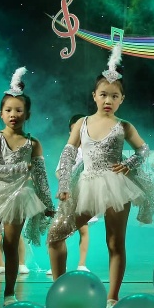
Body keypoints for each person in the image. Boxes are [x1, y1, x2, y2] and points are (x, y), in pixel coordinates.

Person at [48, 43, 154, 308]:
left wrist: (129, 163)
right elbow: (68, 154)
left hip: (116, 186)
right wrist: (64, 184)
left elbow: (143, 149)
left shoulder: (123, 126)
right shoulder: (82, 123)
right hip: (86, 184)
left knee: (115, 242)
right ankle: (58, 289)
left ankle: (112, 297)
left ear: (122, 99)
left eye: (114, 96)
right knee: (56, 235)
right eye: (104, 94)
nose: (108, 100)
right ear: (94, 96)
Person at [0, 67, 55, 306]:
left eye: (18, 110)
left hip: (17, 196)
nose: (13, 114)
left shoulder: (32, 143)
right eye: (8, 110)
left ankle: (9, 294)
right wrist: (20, 168)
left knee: (11, 244)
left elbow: (41, 177)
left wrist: (48, 204)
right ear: (1, 113)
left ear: (27, 114)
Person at [46, 113, 97, 276]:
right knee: (60, 230)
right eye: (74, 130)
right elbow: (59, 171)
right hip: (69, 195)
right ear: (70, 132)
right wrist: (66, 183)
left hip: (86, 195)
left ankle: (82, 264)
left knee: (83, 230)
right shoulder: (69, 150)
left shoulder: (92, 149)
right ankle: (58, 263)